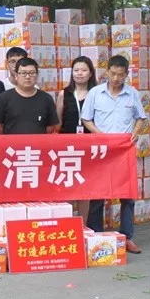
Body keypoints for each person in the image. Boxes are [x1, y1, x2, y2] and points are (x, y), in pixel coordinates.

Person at [82, 55, 147, 255]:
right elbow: (86, 119)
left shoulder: (132, 94)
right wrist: (99, 135)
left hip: (123, 151)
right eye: (113, 74)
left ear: (126, 74)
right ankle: (95, 235)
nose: (116, 78)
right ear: (106, 72)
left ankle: (127, 237)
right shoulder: (95, 93)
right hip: (102, 151)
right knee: (98, 194)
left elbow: (141, 117)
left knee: (127, 195)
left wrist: (135, 133)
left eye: (120, 75)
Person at [56, 56, 98, 226]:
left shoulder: (97, 93)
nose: (79, 73)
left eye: (84, 70)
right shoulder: (63, 94)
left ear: (90, 73)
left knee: (84, 187)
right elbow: (58, 122)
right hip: (67, 147)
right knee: (67, 185)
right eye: (76, 70)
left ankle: (83, 225)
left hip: (89, 146)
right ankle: (67, 224)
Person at [0, 57, 59, 135]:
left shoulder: (46, 98)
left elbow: (51, 125)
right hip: (11, 142)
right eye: (23, 73)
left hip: (38, 142)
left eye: (32, 73)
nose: (27, 77)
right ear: (16, 75)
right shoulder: (4, 98)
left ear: (37, 75)